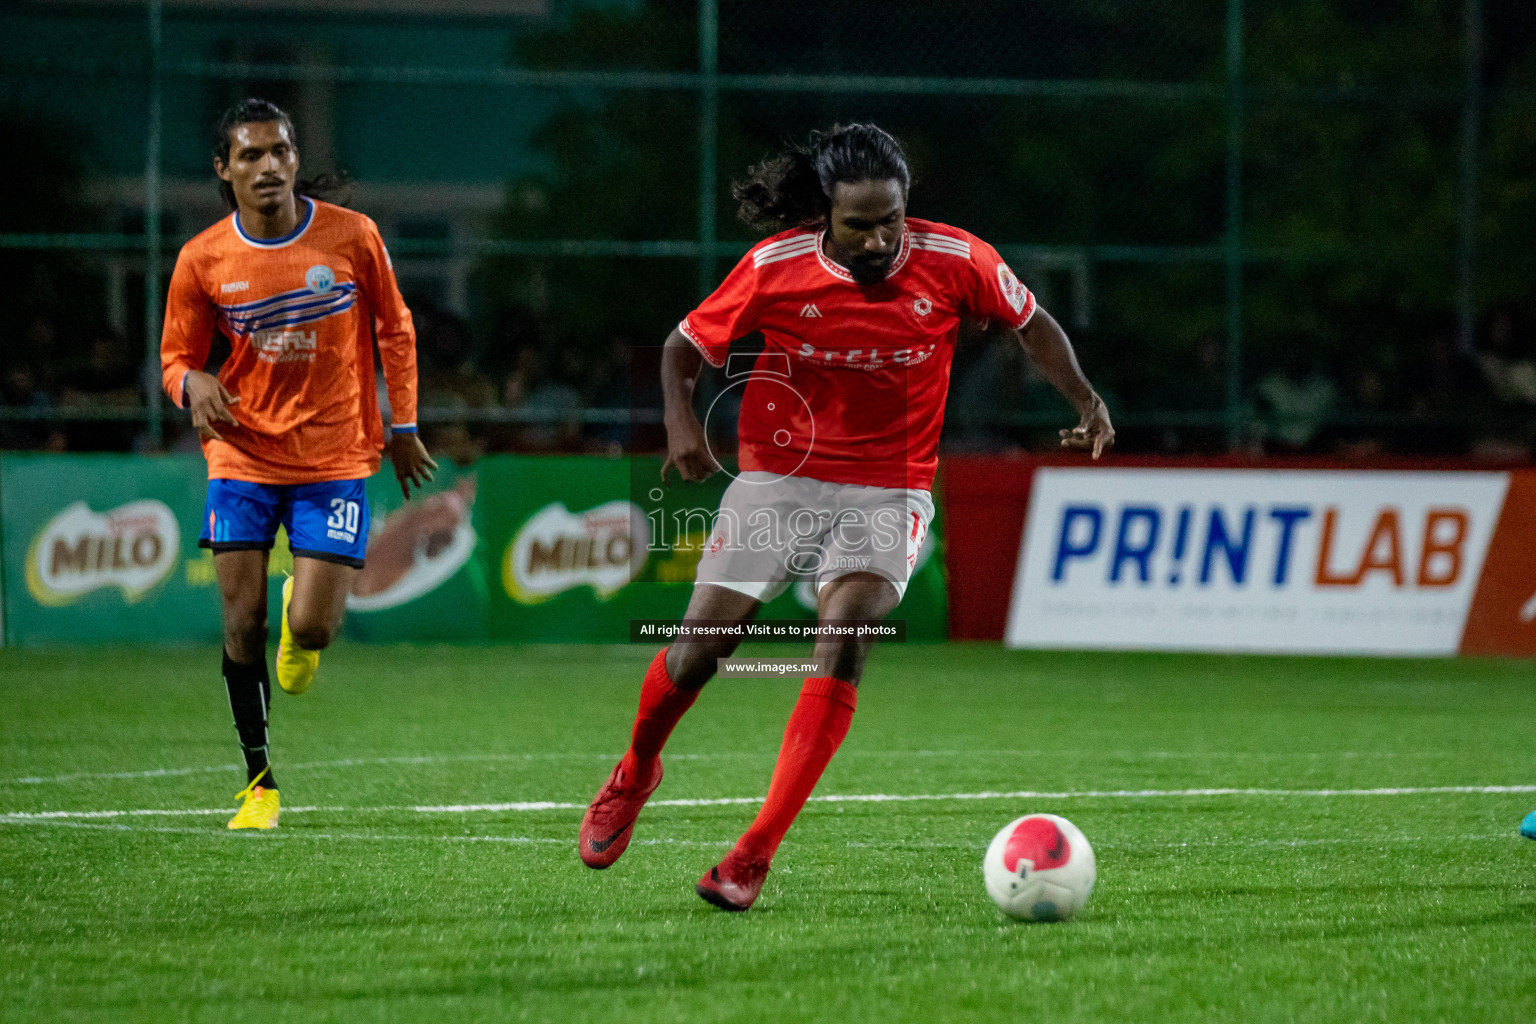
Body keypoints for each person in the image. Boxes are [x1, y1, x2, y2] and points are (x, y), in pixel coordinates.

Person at [577, 124, 1114, 910]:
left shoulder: (960, 261)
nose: (876, 238)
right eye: (857, 224)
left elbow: (1032, 323)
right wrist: (682, 422)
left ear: (906, 206)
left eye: (889, 219)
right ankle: (635, 771)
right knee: (699, 650)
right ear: (825, 213)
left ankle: (753, 854)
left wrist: (1087, 401)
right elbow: (682, 346)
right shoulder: (775, 268)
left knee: (846, 637)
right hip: (780, 478)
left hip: (890, 485)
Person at [160, 98, 435, 830]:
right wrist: (193, 384)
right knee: (239, 618)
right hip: (242, 453)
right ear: (224, 170)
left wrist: (402, 424)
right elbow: (175, 359)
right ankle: (259, 783)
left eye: (280, 151)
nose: (270, 166)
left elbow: (396, 329)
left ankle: (301, 618)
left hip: (336, 453)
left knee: (311, 630)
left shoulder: (353, 237)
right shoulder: (202, 258)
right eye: (250, 155)